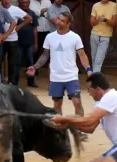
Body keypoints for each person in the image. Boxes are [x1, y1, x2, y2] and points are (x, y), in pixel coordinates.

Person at [26, 11, 91, 140]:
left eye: (62, 20)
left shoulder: (75, 37)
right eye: (58, 19)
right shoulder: (50, 37)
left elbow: (82, 55)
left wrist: (88, 69)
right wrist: (35, 67)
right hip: (55, 77)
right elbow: (45, 55)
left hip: (71, 76)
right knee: (57, 105)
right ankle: (62, 132)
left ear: (68, 24)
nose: (58, 22)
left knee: (77, 102)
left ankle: (79, 130)